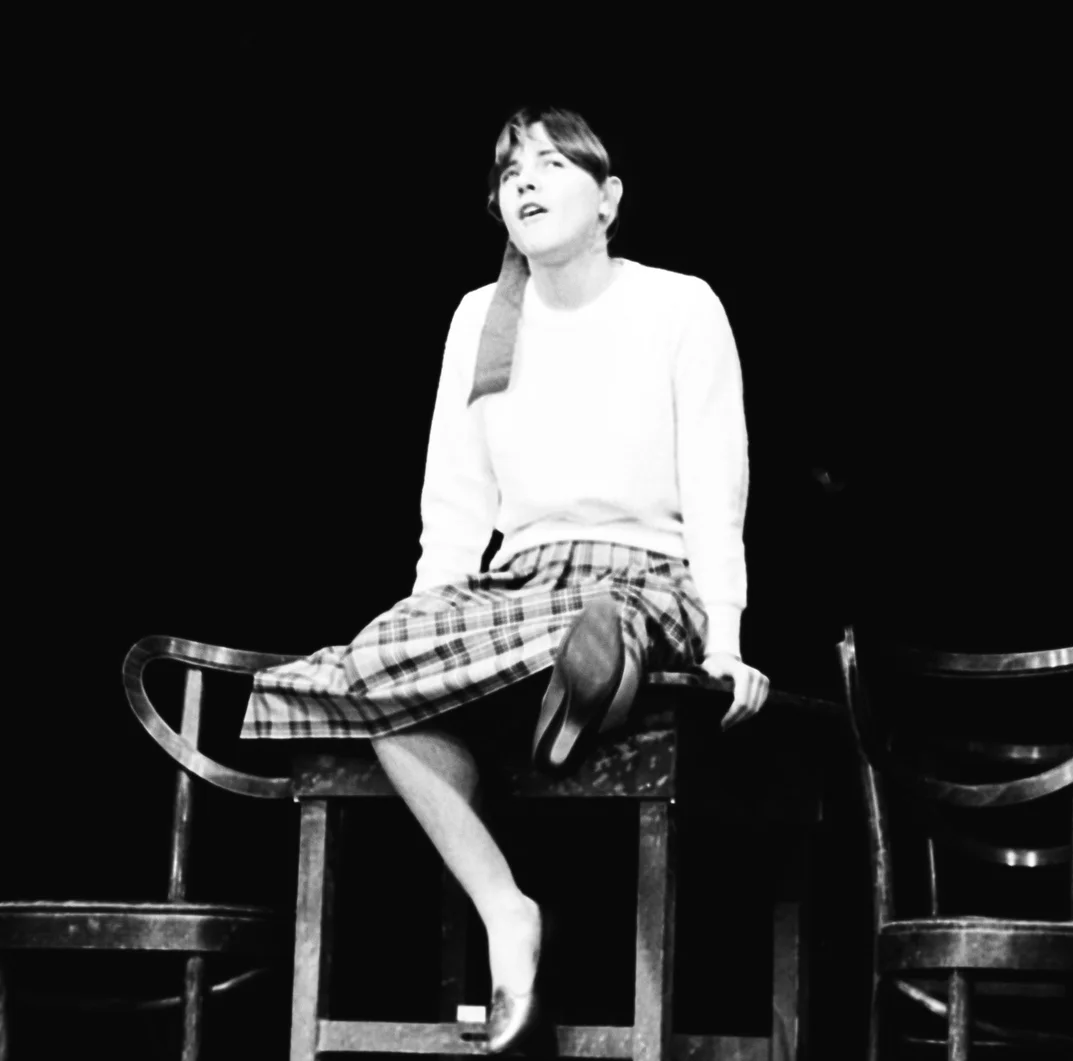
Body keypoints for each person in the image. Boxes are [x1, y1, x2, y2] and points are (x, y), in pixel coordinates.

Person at [239, 106, 769, 1052]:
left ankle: (595, 672)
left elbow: (715, 483)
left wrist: (725, 637)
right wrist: (420, 626)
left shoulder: (679, 305)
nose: (525, 181)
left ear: (608, 199)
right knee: (369, 669)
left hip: (644, 571)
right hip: (519, 584)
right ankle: (507, 903)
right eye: (509, 171)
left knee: (610, 616)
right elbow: (455, 495)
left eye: (552, 163)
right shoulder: (483, 317)